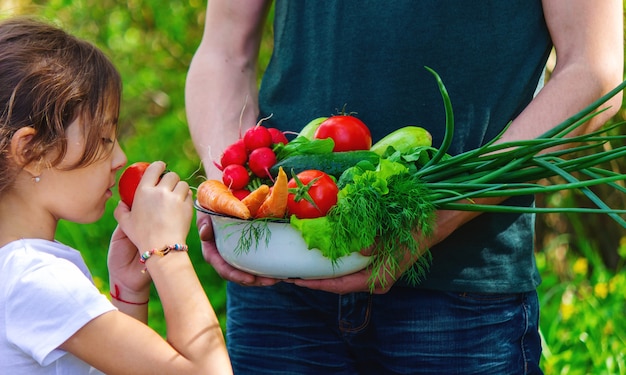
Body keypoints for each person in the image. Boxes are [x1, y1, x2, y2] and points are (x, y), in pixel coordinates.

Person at [185, 1, 623, 374]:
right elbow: (224, 51)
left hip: (458, 292)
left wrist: (439, 215)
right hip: (279, 284)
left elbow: (592, 69)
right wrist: (235, 196)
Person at [0, 17, 232, 374]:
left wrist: (127, 292)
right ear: (31, 150)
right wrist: (168, 250)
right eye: (105, 138)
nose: (120, 158)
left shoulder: (19, 272)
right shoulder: (35, 277)